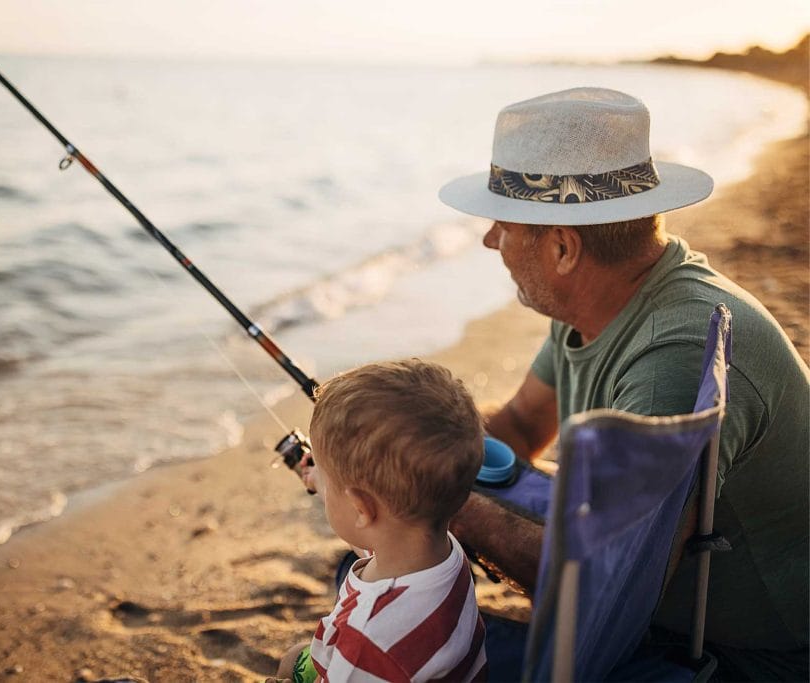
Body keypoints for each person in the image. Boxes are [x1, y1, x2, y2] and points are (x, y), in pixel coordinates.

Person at [437, 86, 809, 681]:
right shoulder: (601, 300)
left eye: (502, 225)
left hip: (749, 657)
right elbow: (520, 428)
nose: (489, 242)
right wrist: (391, 442)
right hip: (667, 617)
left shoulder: (677, 353)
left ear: (562, 247)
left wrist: (435, 505)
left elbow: (606, 583)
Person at [273, 359, 489, 683]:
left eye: (325, 476)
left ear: (362, 509)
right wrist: (325, 482)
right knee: (295, 657)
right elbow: (372, 538)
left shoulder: (368, 645)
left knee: (290, 662)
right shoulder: (441, 551)